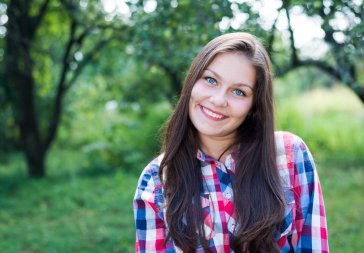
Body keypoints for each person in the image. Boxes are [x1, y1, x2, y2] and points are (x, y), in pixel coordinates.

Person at [133, 32, 328, 253]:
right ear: (191, 82)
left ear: (253, 106)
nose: (218, 100)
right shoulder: (156, 180)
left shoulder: (290, 155)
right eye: (210, 80)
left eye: (238, 91)